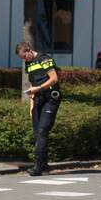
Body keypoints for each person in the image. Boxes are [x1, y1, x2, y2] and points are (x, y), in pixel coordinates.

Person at [16, 41, 61, 176]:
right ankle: (44, 165)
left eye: (25, 57)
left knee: (42, 130)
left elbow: (54, 79)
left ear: (29, 50)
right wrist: (31, 103)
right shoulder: (29, 64)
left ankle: (39, 166)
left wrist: (39, 88)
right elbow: (32, 82)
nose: (24, 60)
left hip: (50, 98)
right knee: (37, 132)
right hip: (38, 99)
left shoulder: (44, 59)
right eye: (22, 58)